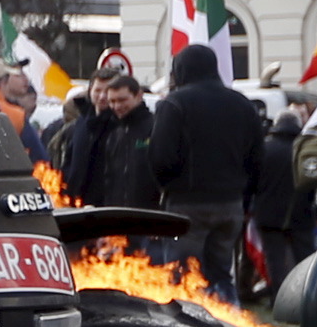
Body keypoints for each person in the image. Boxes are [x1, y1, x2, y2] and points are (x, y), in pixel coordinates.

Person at [149, 44, 266, 297]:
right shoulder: (243, 105)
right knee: (222, 274)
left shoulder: (174, 104)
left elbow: (160, 158)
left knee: (182, 276)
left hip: (186, 205)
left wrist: (169, 188)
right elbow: (257, 160)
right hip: (231, 205)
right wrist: (245, 199)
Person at [63, 62, 160, 209]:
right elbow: (69, 160)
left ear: (138, 96)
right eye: (98, 90)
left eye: (121, 100)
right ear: (90, 91)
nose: (102, 97)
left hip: (133, 210)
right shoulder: (81, 123)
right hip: (81, 206)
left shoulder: (130, 126)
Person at [254, 109, 317, 287]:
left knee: (275, 262)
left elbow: (253, 182)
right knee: (305, 260)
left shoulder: (264, 149)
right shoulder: (305, 150)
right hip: (301, 212)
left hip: (268, 213)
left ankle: (279, 298)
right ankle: (306, 295)